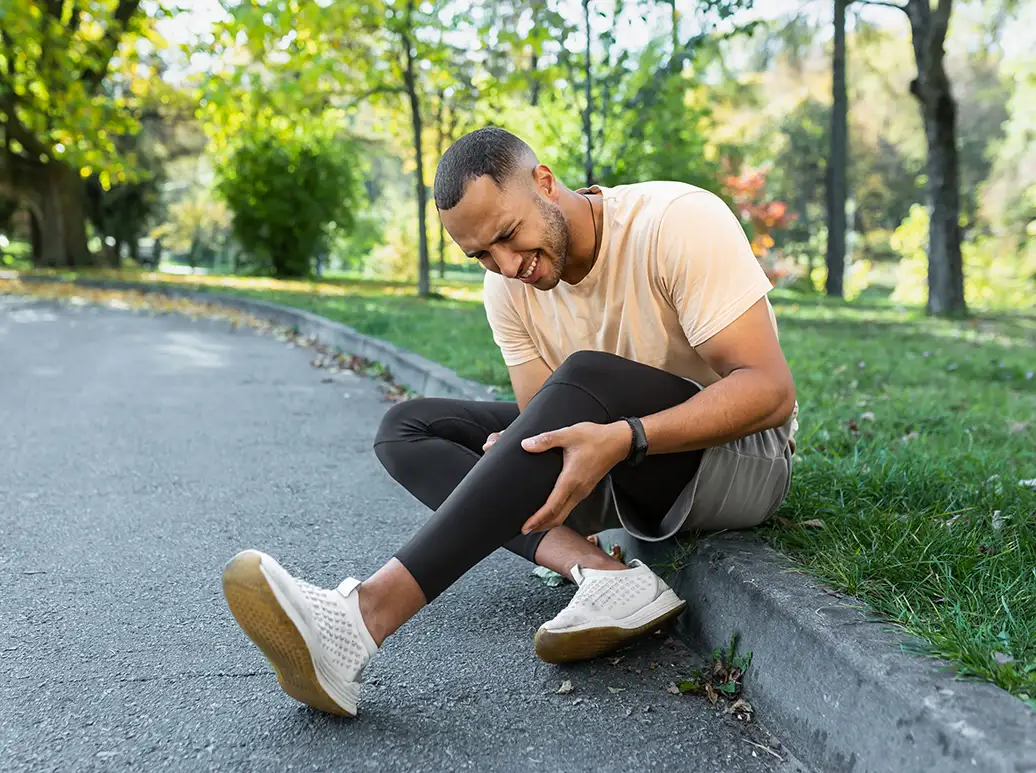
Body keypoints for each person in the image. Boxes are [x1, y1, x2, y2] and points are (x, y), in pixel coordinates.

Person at [220, 127, 799, 718]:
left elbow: (769, 392)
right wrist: (517, 447)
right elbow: (542, 415)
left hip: (736, 457)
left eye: (506, 236)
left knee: (585, 377)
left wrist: (627, 437)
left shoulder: (677, 221)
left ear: (545, 182)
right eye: (481, 256)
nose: (506, 266)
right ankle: (601, 573)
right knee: (409, 427)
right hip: (612, 460)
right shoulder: (508, 285)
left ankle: (366, 618)